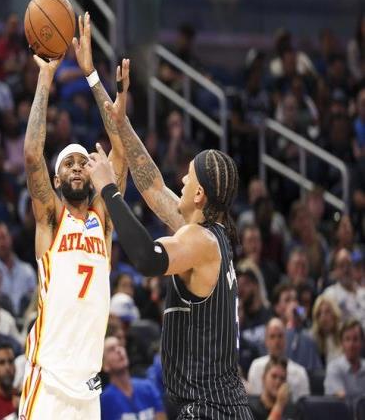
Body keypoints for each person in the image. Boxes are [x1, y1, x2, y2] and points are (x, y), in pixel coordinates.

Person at [86, 59, 252, 418]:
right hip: (219, 406)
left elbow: (147, 259)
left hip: (210, 409)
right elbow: (153, 185)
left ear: (200, 195)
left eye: (189, 177)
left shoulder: (200, 241)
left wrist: (109, 190)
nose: (182, 180)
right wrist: (108, 99)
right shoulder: (210, 237)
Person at [18, 12, 127, 419]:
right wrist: (45, 79)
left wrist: (92, 74)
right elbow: (33, 156)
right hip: (48, 376)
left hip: (88, 385)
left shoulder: (104, 219)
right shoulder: (50, 218)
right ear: (57, 178)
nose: (78, 167)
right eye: (68, 164)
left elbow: (121, 153)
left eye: (83, 162)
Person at [100, 336, 166, 420]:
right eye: (111, 349)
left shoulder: (148, 387)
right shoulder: (105, 400)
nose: (118, 350)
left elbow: (161, 416)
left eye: (120, 346)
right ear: (105, 365)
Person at [324, 319, 365, 411]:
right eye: (347, 339)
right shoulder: (334, 368)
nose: (351, 345)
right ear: (342, 343)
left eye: (355, 339)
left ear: (362, 342)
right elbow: (342, 402)